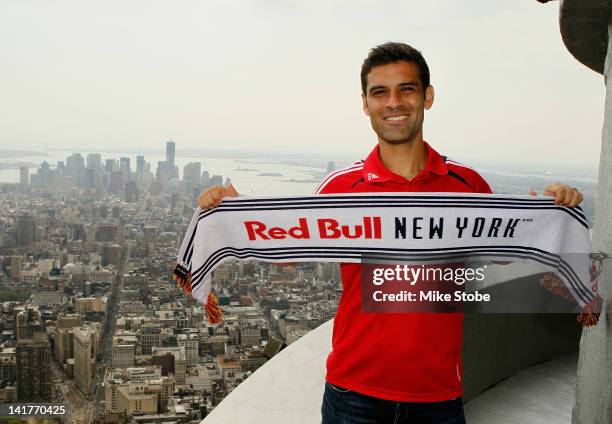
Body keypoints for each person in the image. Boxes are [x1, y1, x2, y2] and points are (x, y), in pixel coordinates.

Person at [198, 42, 583, 423]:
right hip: (352, 392)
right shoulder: (341, 187)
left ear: (427, 96)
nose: (393, 103)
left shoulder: (466, 185)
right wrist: (235, 212)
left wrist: (548, 214)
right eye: (379, 92)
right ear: (365, 104)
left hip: (439, 395)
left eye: (407, 89)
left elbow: (502, 249)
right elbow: (293, 246)